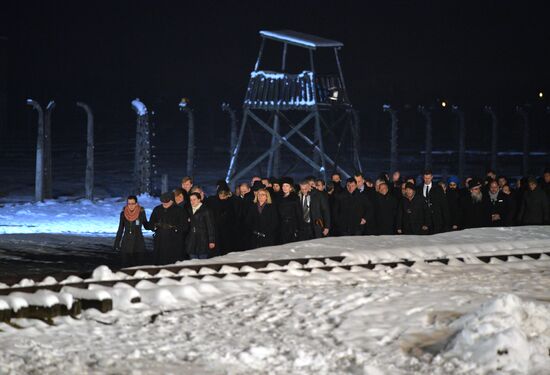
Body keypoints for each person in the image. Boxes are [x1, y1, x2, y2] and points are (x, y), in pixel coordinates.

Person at [149, 192, 187, 265]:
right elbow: (151, 223)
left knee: (173, 263)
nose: (165, 204)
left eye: (167, 202)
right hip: (160, 242)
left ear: (172, 200)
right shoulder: (157, 209)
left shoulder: (180, 210)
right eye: (163, 203)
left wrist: (174, 227)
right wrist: (155, 226)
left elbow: (184, 226)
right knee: (160, 262)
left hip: (174, 242)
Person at [114, 195, 150, 267]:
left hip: (138, 242)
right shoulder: (123, 214)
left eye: (132, 203)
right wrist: (117, 243)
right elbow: (120, 229)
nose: (130, 206)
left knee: (138, 266)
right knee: (125, 265)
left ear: (136, 204)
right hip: (126, 243)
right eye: (129, 203)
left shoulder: (141, 213)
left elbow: (146, 225)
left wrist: (153, 225)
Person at [185, 192, 216, 259]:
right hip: (192, 240)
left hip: (203, 240)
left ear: (199, 200)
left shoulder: (206, 210)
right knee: (193, 261)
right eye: (191, 200)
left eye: (194, 199)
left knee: (202, 261)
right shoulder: (189, 210)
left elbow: (210, 226)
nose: (192, 201)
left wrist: (212, 241)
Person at [207, 188, 237, 255]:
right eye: (220, 195)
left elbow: (233, 218)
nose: (222, 197)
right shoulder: (215, 202)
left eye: (223, 195)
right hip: (219, 230)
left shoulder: (231, 203)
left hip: (228, 231)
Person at [277, 178, 301, 244]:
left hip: (292, 225)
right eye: (283, 186)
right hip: (281, 225)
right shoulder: (279, 197)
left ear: (290, 188)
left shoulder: (295, 198)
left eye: (287, 186)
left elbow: (298, 213)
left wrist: (297, 228)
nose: (284, 188)